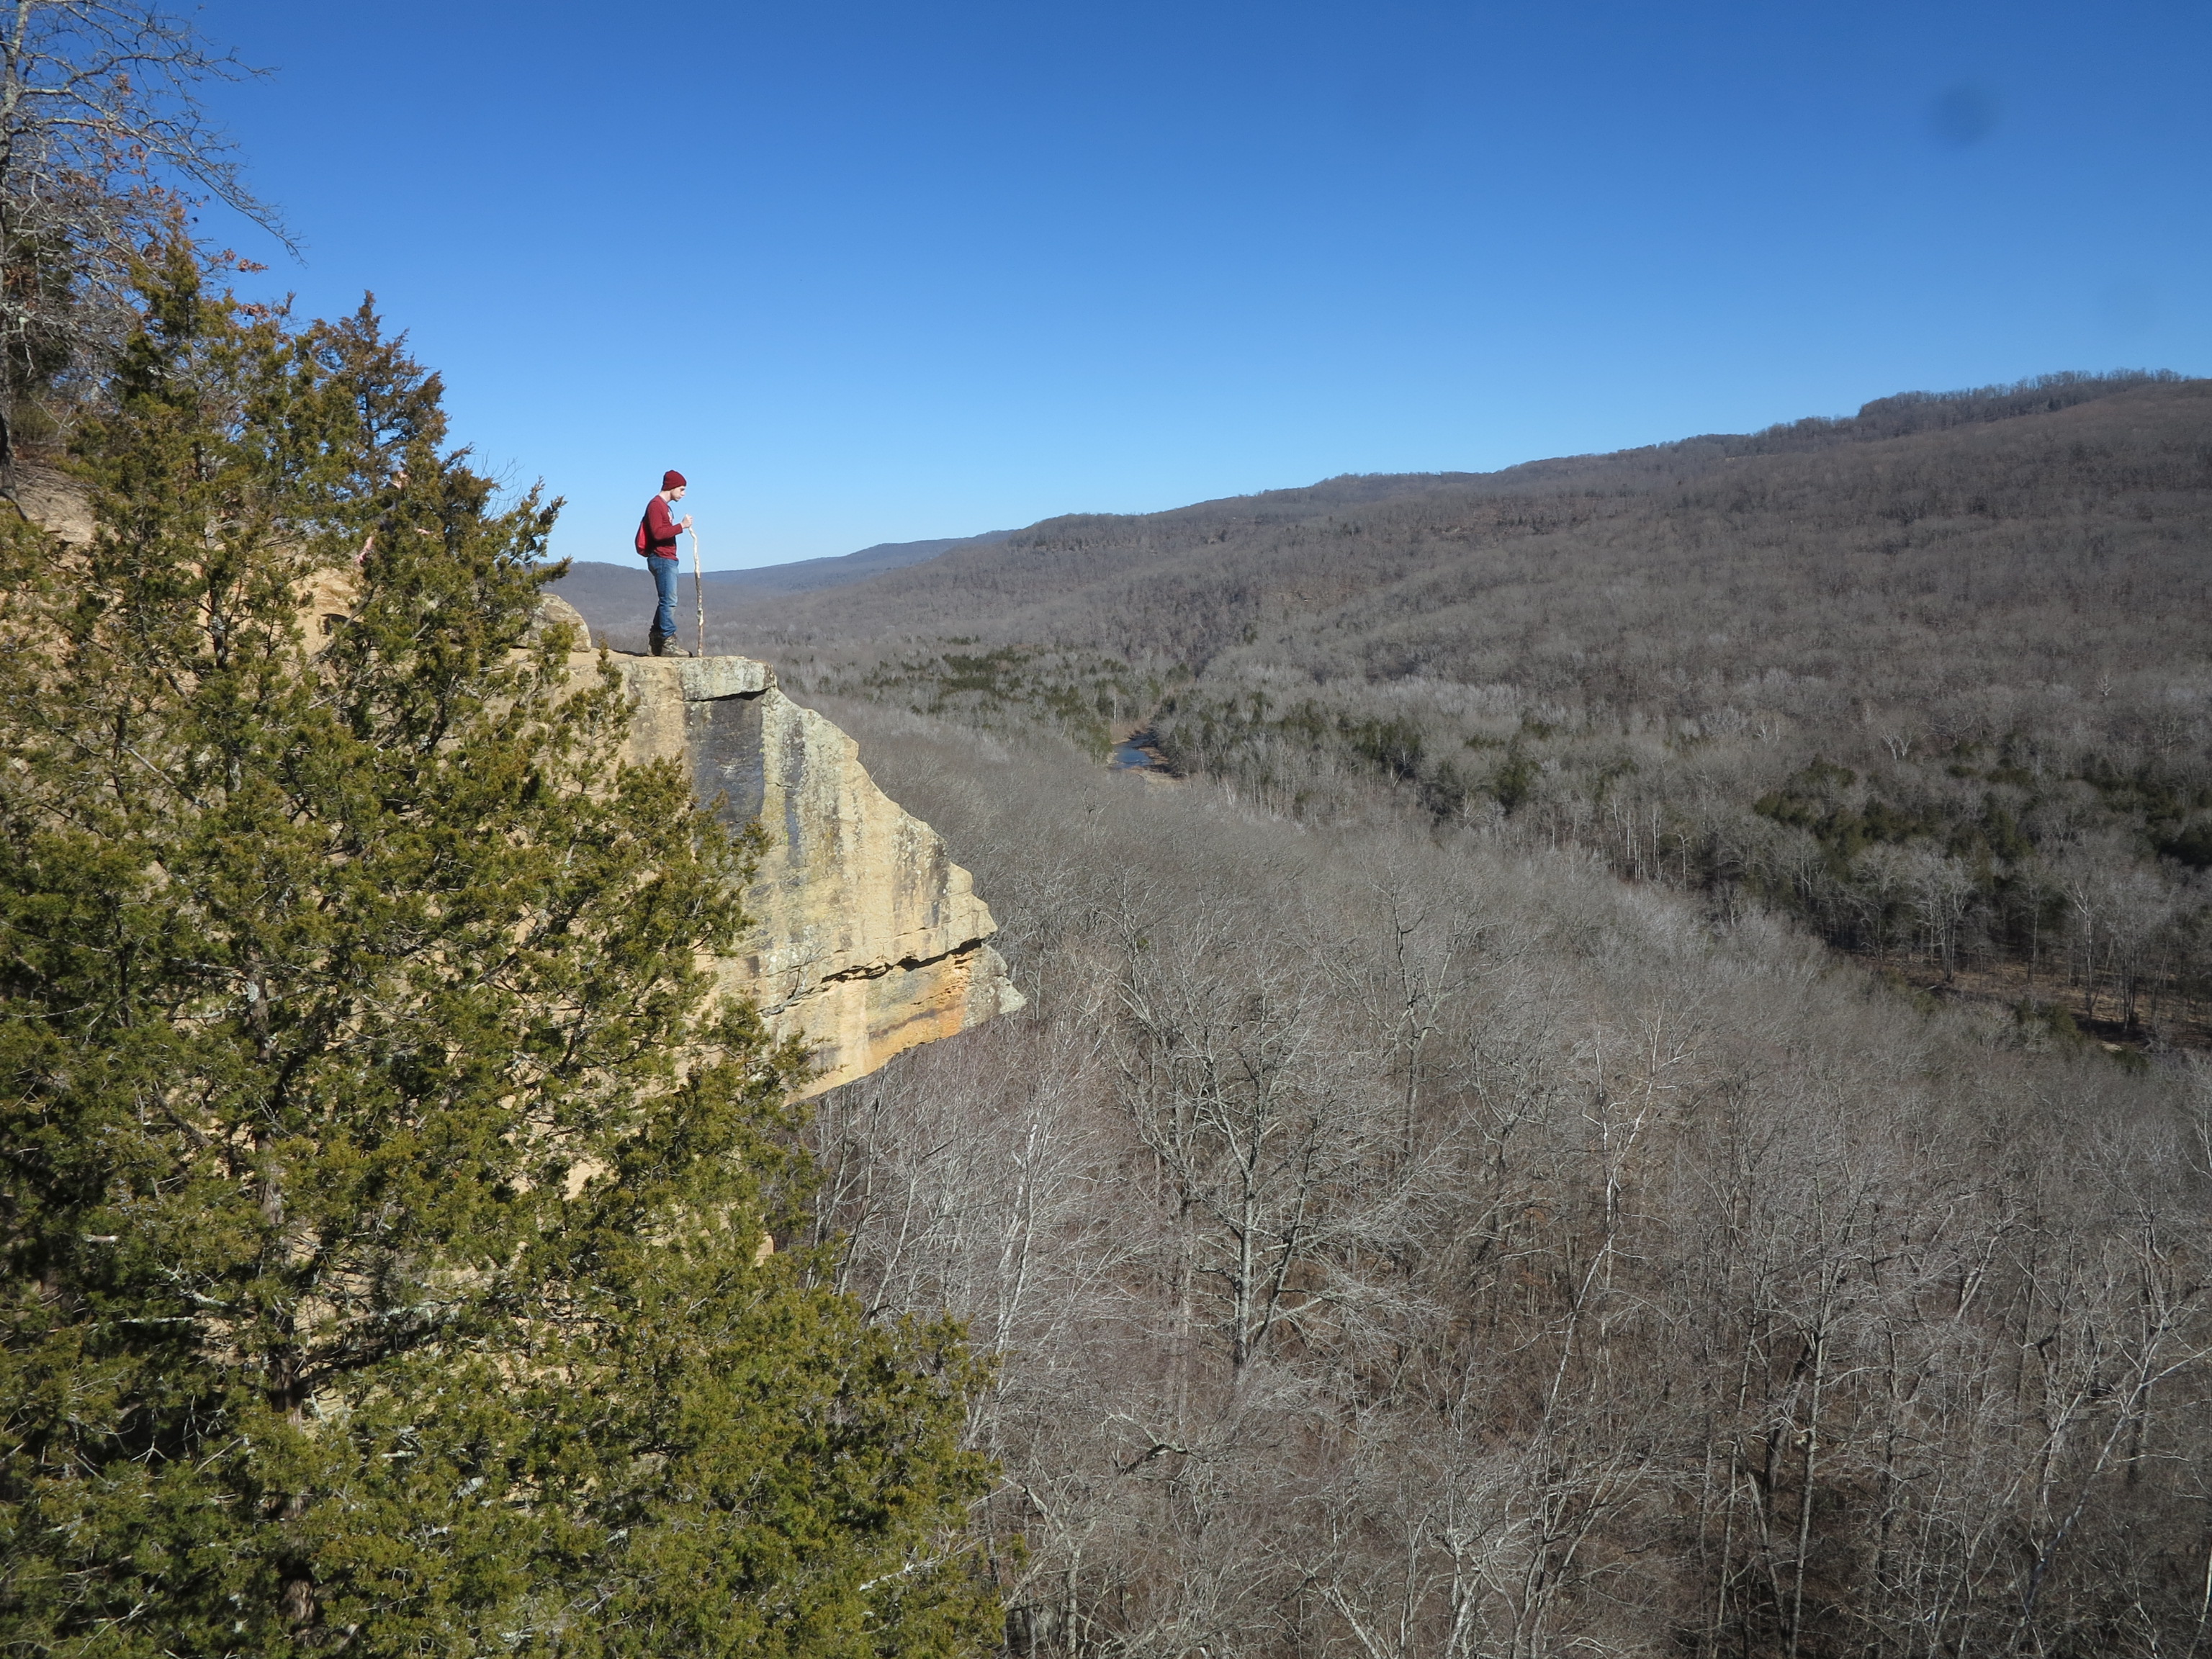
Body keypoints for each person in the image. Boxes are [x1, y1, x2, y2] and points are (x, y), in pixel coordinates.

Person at [636, 469, 694, 656]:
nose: (684, 494)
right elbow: (658, 533)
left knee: (665, 601)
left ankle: (655, 643)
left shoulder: (665, 507)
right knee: (669, 601)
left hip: (667, 558)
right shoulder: (656, 505)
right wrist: (681, 526)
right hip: (661, 558)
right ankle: (668, 643)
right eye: (682, 489)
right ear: (672, 487)